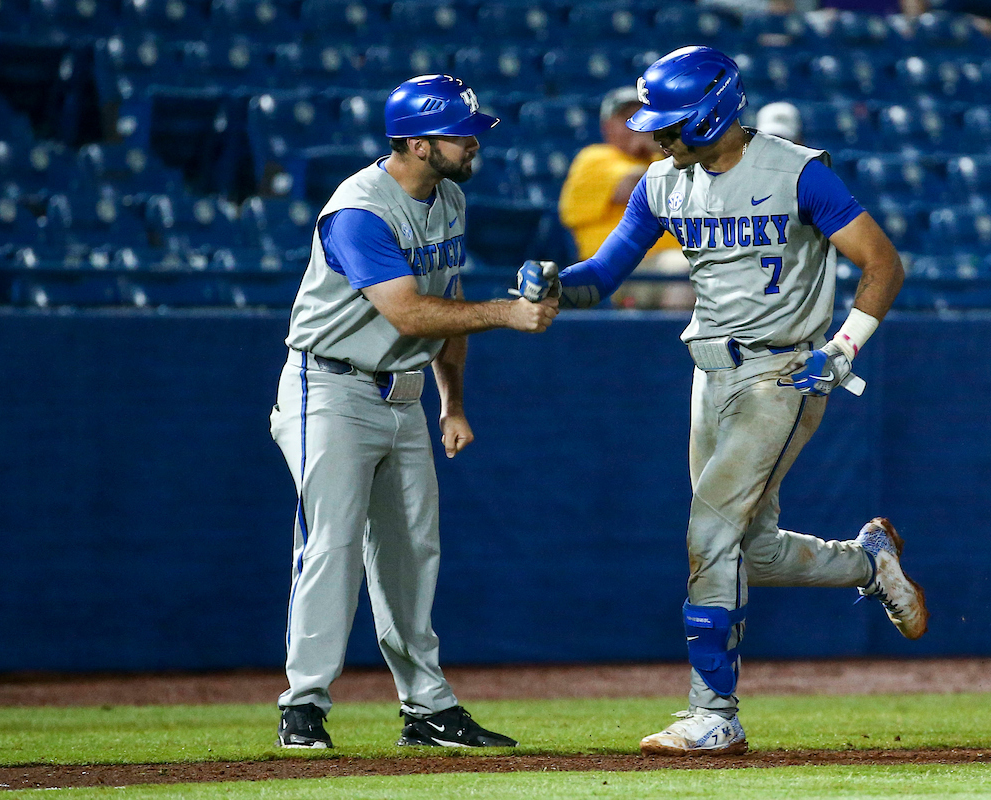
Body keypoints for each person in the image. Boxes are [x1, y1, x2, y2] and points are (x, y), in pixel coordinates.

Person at [521, 46, 927, 755]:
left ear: (713, 112)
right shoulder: (662, 182)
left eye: (671, 123)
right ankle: (870, 563)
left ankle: (714, 713)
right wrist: (558, 282)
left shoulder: (798, 170)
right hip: (709, 373)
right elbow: (607, 272)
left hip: (784, 372)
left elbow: (883, 262)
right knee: (747, 549)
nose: (657, 136)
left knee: (708, 537)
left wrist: (843, 348)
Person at [269, 74, 558, 750]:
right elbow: (407, 310)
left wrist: (452, 401)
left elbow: (445, 303)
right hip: (329, 387)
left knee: (411, 554)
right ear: (417, 142)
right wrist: (509, 315)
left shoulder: (449, 197)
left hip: (401, 391)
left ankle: (426, 707)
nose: (473, 141)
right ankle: (302, 705)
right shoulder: (359, 210)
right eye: (461, 132)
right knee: (332, 546)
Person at [558, 86, 693, 310]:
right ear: (606, 127)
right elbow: (634, 188)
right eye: (626, 118)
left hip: (669, 260)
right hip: (617, 268)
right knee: (684, 271)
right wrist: (666, 152)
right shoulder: (595, 158)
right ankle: (672, 342)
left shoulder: (666, 161)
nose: (635, 125)